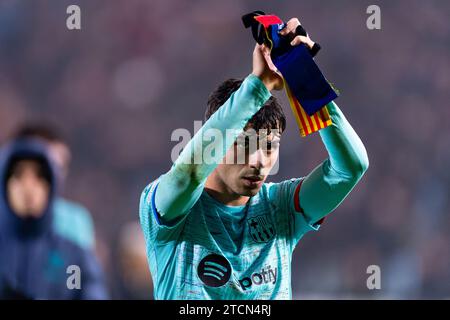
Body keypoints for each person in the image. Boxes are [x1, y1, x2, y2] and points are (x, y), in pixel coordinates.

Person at [139, 18, 369, 299]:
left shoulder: (281, 208)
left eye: (270, 147)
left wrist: (306, 79)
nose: (259, 161)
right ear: (219, 141)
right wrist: (258, 85)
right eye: (245, 145)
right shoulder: (170, 208)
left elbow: (351, 167)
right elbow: (188, 175)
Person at [0, 138, 107, 299]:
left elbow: (88, 292)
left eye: (39, 177)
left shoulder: (74, 259)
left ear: (51, 186)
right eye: (18, 175)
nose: (28, 187)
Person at [12, 124, 95, 251]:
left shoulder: (74, 221)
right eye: (47, 168)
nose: (56, 176)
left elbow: (77, 269)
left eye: (61, 168)